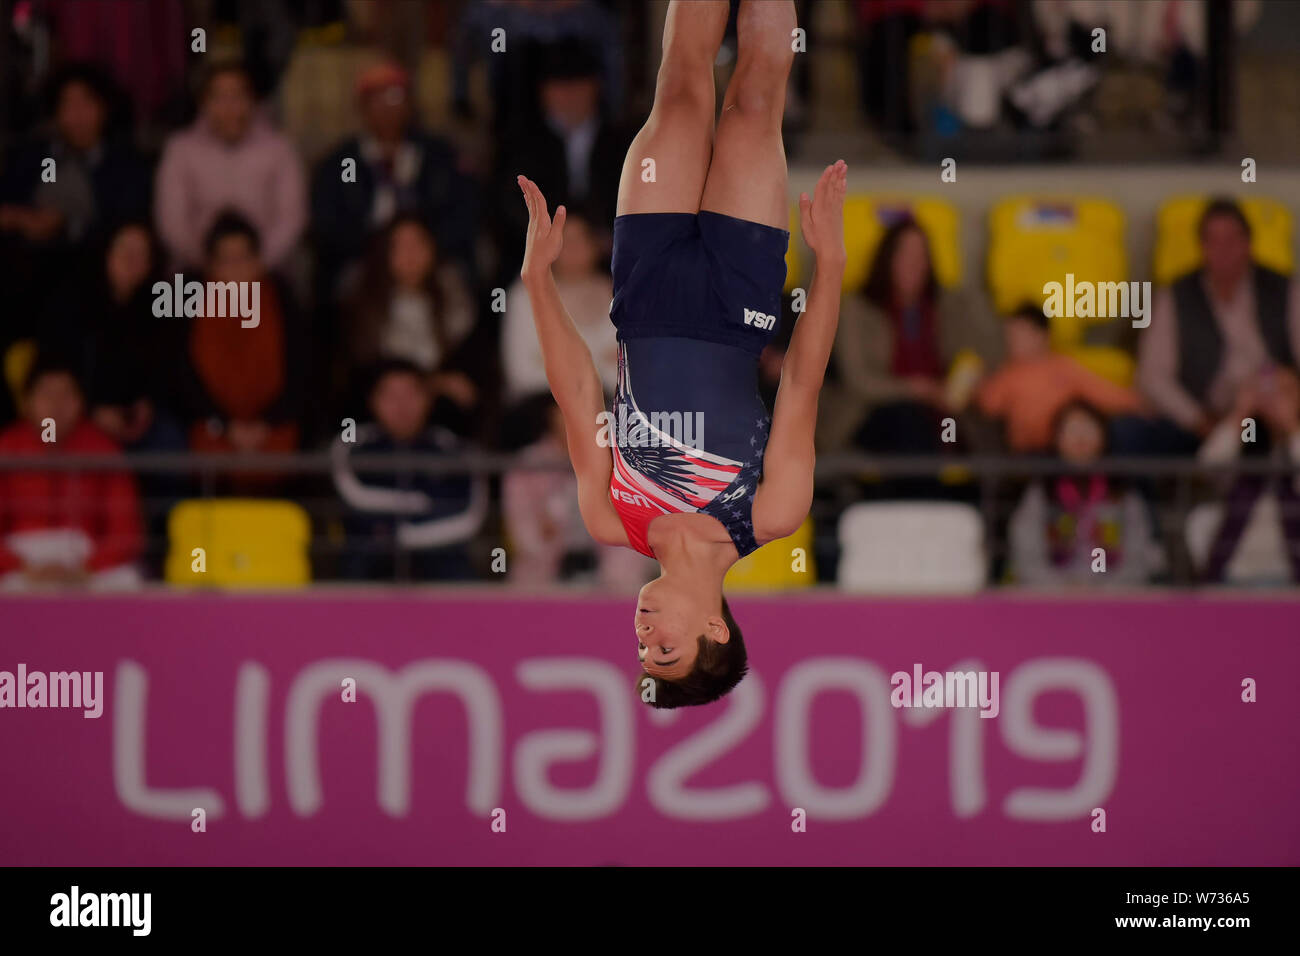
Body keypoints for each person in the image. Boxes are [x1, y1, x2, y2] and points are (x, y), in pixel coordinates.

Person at [515, 0, 846, 708]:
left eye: (641, 650)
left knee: (683, 85)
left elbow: (576, 392)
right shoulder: (770, 511)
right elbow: (803, 383)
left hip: (645, 291)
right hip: (738, 299)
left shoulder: (614, 518)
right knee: (755, 99)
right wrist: (832, 267)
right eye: (665, 648)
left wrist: (537, 281)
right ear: (715, 631)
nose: (643, 633)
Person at [1116, 198, 1300, 457]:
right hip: (1204, 418)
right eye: (1212, 240)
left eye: (1231, 240)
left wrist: (1287, 394)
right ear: (1201, 246)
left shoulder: (1285, 289)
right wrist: (1198, 419)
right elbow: (1152, 375)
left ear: (1248, 243)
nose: (1222, 249)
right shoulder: (1176, 295)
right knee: (1129, 432)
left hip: (1275, 411)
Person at [818, 217, 1002, 457]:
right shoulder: (858, 308)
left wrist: (963, 385)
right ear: (887, 260)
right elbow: (860, 380)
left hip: (945, 410)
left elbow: (987, 354)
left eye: (921, 256)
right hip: (873, 413)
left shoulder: (951, 306)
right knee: (908, 421)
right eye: (905, 255)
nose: (914, 264)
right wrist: (918, 390)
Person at [311, 60, 478, 301]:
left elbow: (464, 211)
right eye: (376, 99)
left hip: (431, 259)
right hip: (364, 261)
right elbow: (328, 225)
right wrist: (379, 255)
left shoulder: (440, 156)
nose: (387, 108)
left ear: (410, 104)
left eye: (395, 97)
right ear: (362, 107)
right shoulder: (338, 163)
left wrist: (423, 252)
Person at [182, 212, 306, 491]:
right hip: (212, 428)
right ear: (211, 265)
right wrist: (226, 426)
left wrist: (266, 423)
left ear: (258, 261)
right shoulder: (189, 306)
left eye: (244, 258)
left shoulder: (282, 301)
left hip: (275, 426)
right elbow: (183, 381)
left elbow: (302, 373)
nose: (236, 269)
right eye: (227, 260)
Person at [331, 360, 487, 581]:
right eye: (391, 396)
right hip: (374, 554)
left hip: (438, 552)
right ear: (373, 402)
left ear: (429, 400)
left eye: (411, 394)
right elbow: (354, 499)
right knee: (357, 558)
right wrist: (419, 502)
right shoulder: (353, 444)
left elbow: (467, 516)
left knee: (459, 572)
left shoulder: (452, 448)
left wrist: (404, 534)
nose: (402, 406)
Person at [0, 355, 143, 590]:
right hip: (21, 558)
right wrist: (21, 567)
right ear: (27, 402)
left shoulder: (102, 447)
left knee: (129, 580)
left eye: (66, 394)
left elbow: (125, 530)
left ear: (81, 402)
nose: (56, 404)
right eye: (47, 394)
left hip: (84, 556)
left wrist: (88, 567)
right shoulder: (7, 446)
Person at [154, 60, 306, 272]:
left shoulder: (280, 149)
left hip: (265, 269)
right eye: (219, 97)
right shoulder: (180, 149)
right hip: (197, 268)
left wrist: (254, 265)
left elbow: (291, 219)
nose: (229, 107)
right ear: (204, 103)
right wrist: (212, 265)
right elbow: (172, 222)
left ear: (253, 101)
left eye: (238, 96)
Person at [342, 213, 479, 436]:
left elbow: (466, 377)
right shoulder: (363, 301)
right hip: (378, 400)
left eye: (418, 244)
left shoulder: (454, 299)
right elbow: (360, 372)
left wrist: (431, 388)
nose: (410, 255)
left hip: (438, 408)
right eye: (400, 246)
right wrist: (432, 384)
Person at [1008, 401, 1155, 588]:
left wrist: (1103, 590)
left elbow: (1138, 556)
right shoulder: (1042, 493)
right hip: (1051, 596)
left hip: (1112, 596)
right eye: (1072, 430)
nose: (1080, 439)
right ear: (1056, 439)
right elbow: (1027, 555)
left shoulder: (1121, 493)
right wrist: (1061, 588)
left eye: (1088, 429)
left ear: (1104, 437)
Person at [977, 303, 1142, 453]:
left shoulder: (1062, 368)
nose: (1013, 342)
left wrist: (1140, 405)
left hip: (1062, 452)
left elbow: (1104, 393)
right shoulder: (1009, 375)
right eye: (1010, 336)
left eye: (1021, 335)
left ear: (1042, 335)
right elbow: (988, 405)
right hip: (1024, 456)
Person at [502, 204, 617, 404]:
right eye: (564, 239)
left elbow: (632, 371)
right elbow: (522, 374)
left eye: (581, 238)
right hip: (542, 407)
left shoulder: (620, 293)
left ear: (597, 243)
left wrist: (558, 364)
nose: (572, 248)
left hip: (612, 407)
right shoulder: (524, 296)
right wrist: (599, 363)